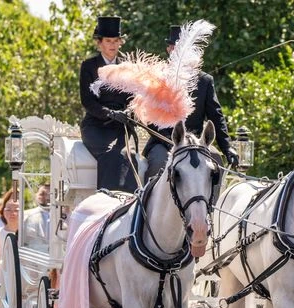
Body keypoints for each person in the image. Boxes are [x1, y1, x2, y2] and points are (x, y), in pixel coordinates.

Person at [143, 25, 238, 180]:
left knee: (215, 158)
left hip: (196, 143)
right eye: (175, 48)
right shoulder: (158, 77)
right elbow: (150, 118)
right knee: (160, 161)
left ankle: (210, 204)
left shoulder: (205, 81)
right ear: (169, 50)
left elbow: (216, 116)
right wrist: (171, 142)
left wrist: (227, 148)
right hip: (163, 142)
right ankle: (149, 203)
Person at [79, 16, 139, 193]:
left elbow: (134, 98)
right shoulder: (89, 66)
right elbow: (87, 101)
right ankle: (105, 201)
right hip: (95, 126)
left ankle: (131, 203)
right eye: (108, 41)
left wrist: (128, 112)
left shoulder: (128, 68)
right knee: (110, 154)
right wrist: (110, 113)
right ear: (100, 43)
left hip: (121, 126)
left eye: (116, 41)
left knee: (130, 156)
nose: (112, 45)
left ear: (120, 42)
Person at [23, 184, 50, 251]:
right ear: (36, 195)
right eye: (42, 194)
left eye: (49, 194)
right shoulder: (26, 215)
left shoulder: (63, 216)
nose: (46, 197)